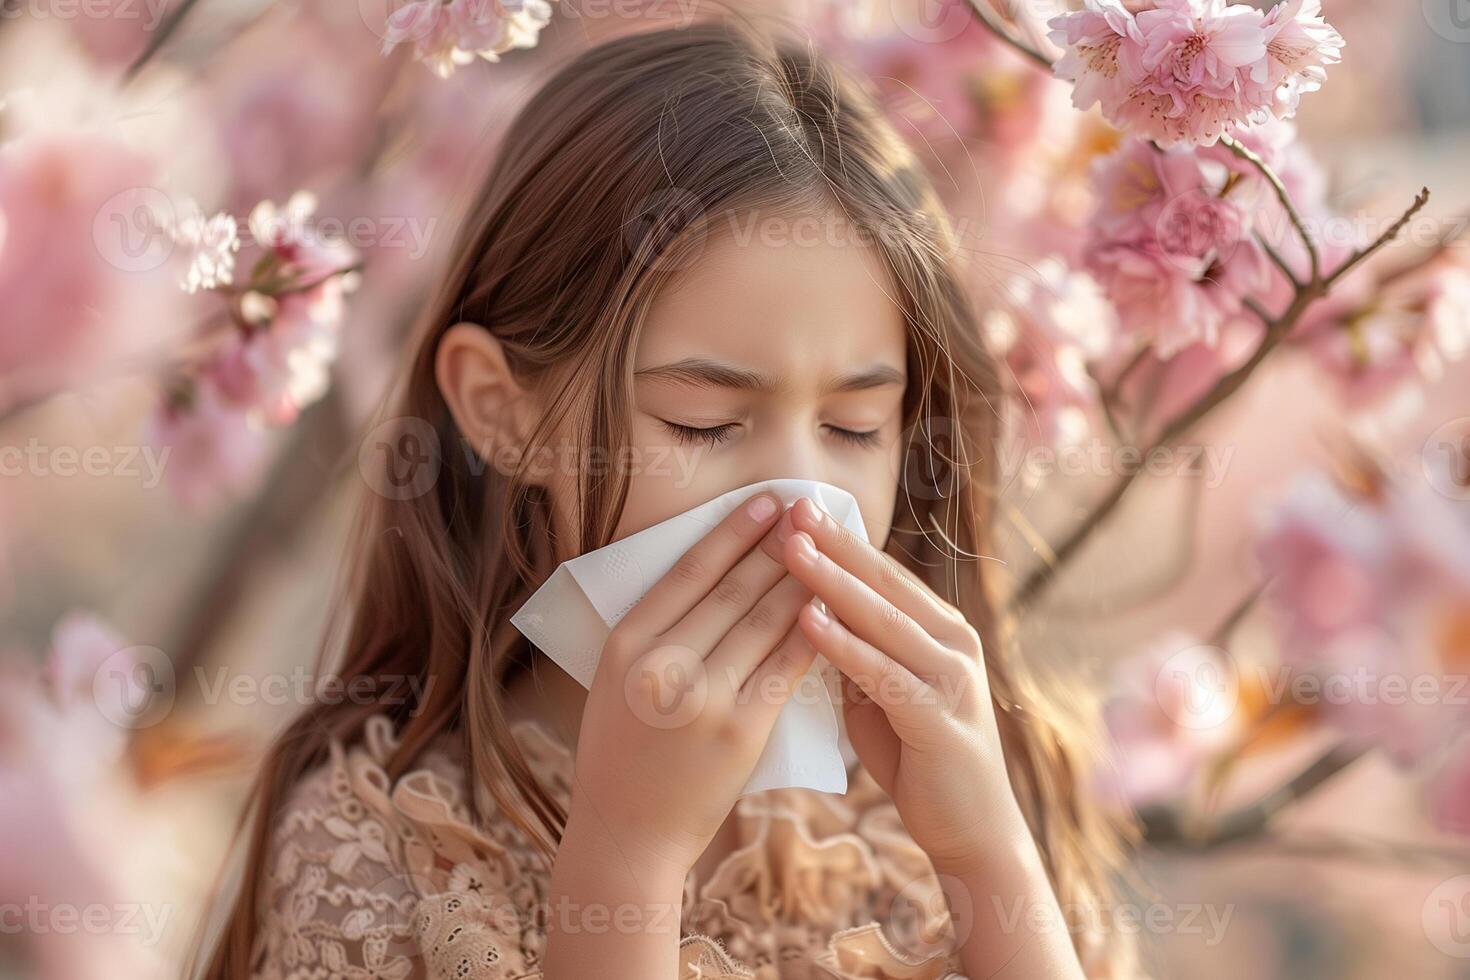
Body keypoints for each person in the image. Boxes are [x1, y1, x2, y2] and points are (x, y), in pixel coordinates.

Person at [198, 17, 1134, 980]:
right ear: (501, 409)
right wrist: (626, 859)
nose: (802, 503)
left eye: (855, 428)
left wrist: (989, 856)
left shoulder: (972, 800)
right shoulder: (381, 847)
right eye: (702, 421)